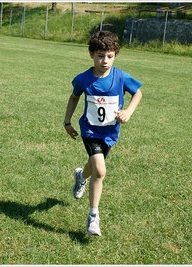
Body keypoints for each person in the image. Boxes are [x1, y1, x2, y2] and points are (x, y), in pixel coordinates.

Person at [63, 30, 142, 236]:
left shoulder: (121, 77)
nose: (105, 61)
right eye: (100, 55)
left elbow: (138, 93)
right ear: (91, 54)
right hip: (90, 130)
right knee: (100, 170)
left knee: (93, 167)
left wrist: (128, 112)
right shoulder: (83, 79)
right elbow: (74, 97)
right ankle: (93, 218)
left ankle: (81, 177)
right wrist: (67, 122)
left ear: (115, 55)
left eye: (110, 56)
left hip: (110, 133)